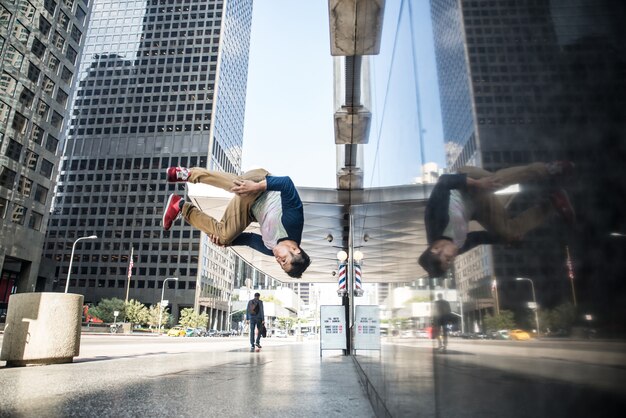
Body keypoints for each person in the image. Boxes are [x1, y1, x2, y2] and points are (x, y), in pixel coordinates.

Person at [418, 161, 575, 278]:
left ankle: (549, 170)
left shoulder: (434, 222)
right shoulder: (456, 246)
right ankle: (553, 203)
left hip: (467, 182)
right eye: (450, 263)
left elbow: (444, 182)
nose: (452, 258)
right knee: (509, 232)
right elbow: (478, 238)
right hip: (478, 206)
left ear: (435, 249)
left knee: (494, 182)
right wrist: (506, 240)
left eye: (447, 258)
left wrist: (478, 183)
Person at [162, 167, 311, 278]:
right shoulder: (293, 223)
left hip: (250, 210)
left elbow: (249, 239)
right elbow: (286, 183)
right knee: (240, 187)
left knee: (223, 236)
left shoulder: (271, 249)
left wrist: (225, 242)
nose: (278, 260)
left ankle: (179, 206)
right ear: (295, 249)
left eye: (280, 264)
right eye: (284, 260)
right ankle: (187, 174)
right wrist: (256, 186)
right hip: (260, 184)